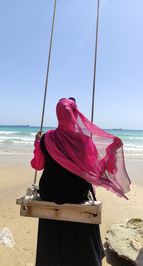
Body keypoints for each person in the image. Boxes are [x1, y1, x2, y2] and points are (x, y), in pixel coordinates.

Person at [31, 97, 131, 266]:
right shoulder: (84, 141)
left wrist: (37, 143)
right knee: (87, 192)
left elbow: (37, 165)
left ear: (58, 115)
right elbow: (97, 170)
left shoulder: (47, 138)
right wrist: (111, 150)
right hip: (77, 195)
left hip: (50, 193)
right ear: (75, 114)